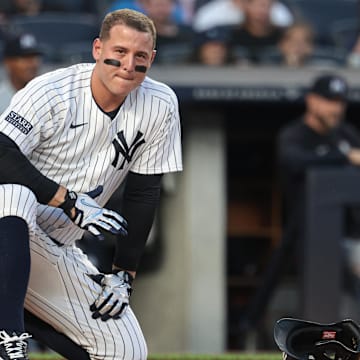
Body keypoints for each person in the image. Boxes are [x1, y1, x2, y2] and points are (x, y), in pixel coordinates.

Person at [0, 8, 182, 360]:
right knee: (13, 193)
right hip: (7, 223)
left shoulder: (160, 104)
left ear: (152, 59)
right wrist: (66, 200)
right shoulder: (52, 90)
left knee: (126, 351)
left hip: (51, 246)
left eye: (139, 56)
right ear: (98, 49)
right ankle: (8, 337)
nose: (128, 64)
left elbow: (144, 192)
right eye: (120, 52)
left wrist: (124, 273)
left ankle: (18, 311)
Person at [277, 73, 360, 311]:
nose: (335, 108)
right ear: (312, 101)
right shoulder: (294, 135)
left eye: (339, 102)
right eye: (328, 101)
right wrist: (344, 157)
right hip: (307, 233)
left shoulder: (347, 134)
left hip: (351, 231)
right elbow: (293, 161)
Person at [0, 31, 42, 113]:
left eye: (35, 57)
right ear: (8, 62)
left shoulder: (45, 96)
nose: (32, 64)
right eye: (25, 58)